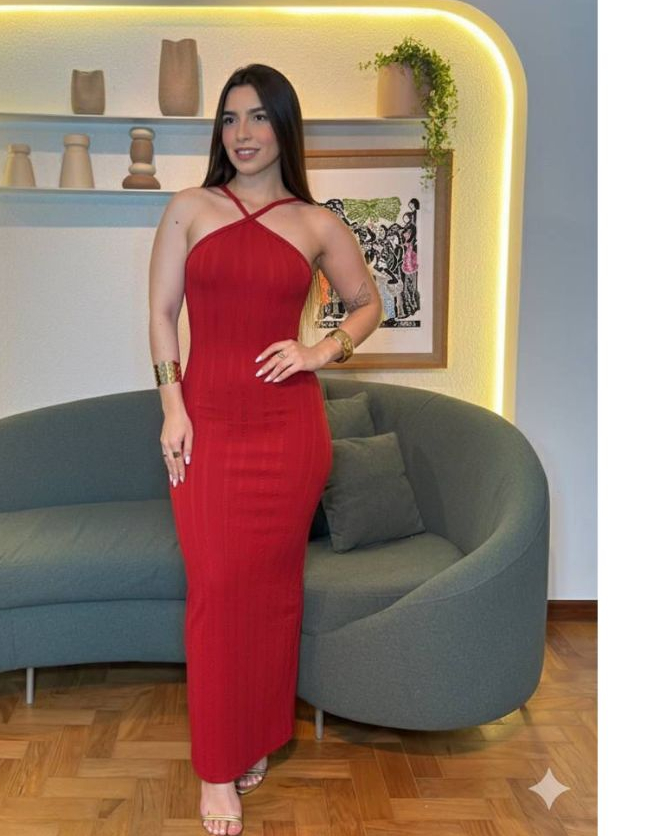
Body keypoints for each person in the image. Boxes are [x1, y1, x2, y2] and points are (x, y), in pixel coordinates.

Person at [148, 64, 382, 835]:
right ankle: (216, 768)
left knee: (272, 594)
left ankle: (253, 733)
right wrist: (172, 407)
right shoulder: (189, 208)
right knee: (217, 590)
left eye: (257, 117)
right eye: (229, 118)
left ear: (284, 126)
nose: (242, 133)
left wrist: (320, 352)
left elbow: (368, 302)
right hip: (207, 428)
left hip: (289, 433)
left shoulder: (316, 224)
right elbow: (162, 314)